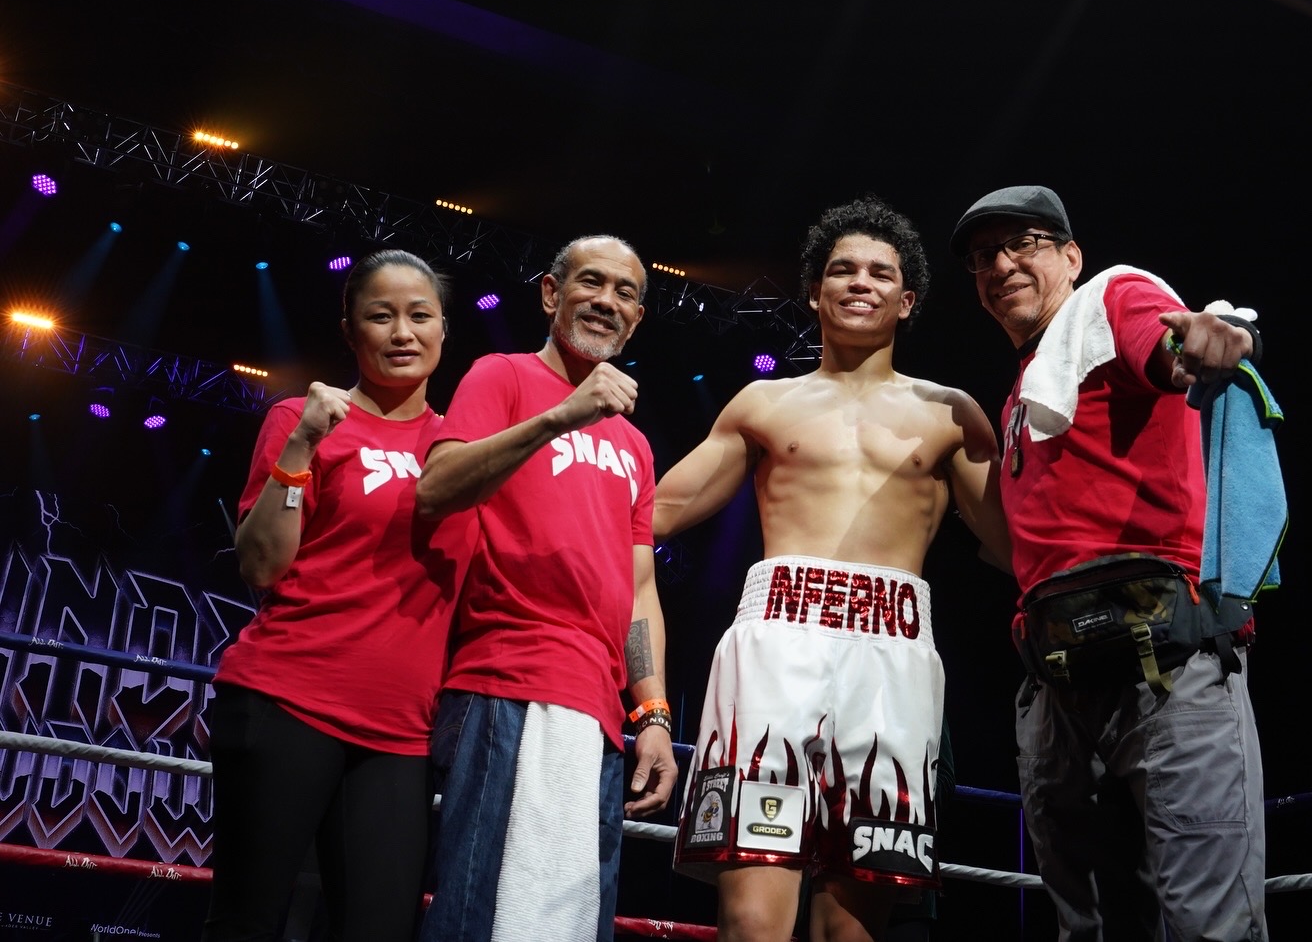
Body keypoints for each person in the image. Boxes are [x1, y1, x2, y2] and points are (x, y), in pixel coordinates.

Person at [656, 196, 1010, 942]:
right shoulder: (763, 403)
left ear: (907, 300)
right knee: (751, 915)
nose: (860, 282)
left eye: (881, 273)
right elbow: (648, 512)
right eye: (842, 269)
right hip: (774, 646)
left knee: (852, 925)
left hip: (892, 663)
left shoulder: (950, 412)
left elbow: (1024, 544)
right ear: (814, 290)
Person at [949, 185, 1266, 941]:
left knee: (1207, 926)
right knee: (1089, 929)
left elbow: (1169, 341)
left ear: (1070, 255)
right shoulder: (1027, 388)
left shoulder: (1113, 295)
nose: (1000, 264)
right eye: (983, 257)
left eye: (1022, 243)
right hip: (1060, 686)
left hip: (1167, 668)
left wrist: (1203, 338)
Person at [204, 249, 478, 942]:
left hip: (400, 732)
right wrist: (300, 444)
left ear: (445, 330)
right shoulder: (302, 419)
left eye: (420, 315)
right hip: (286, 698)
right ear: (350, 331)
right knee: (248, 921)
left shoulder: (463, 449)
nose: (402, 332)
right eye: (380, 316)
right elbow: (262, 566)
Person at [413, 235, 677, 942]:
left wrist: (651, 712)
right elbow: (435, 489)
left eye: (625, 292)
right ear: (551, 294)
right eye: (591, 283)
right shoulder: (499, 377)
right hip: (502, 676)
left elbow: (638, 584)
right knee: (477, 909)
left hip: (595, 707)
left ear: (638, 319)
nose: (607, 301)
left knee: (568, 919)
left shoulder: (636, 445)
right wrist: (563, 415)